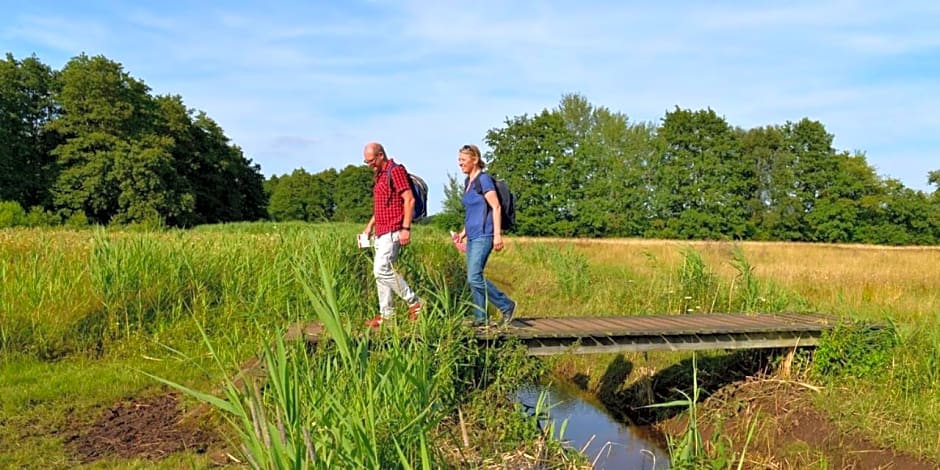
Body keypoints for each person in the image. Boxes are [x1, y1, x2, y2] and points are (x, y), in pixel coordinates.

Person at [452, 144, 516, 327]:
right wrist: (462, 233)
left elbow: (496, 207)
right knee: (474, 277)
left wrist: (497, 235)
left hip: (484, 234)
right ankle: (481, 318)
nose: (460, 164)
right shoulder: (468, 182)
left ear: (475, 159)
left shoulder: (484, 180)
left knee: (474, 276)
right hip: (472, 235)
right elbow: (472, 212)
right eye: (459, 160)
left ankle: (506, 305)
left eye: (463, 160)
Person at [361, 142, 422, 328]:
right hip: (381, 230)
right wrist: (369, 226)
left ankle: (415, 303)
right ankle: (387, 315)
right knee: (380, 274)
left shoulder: (395, 170)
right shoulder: (379, 175)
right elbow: (381, 206)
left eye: (371, 160)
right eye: (366, 161)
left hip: (394, 229)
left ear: (381, 155)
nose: (369, 164)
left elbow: (409, 199)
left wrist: (406, 228)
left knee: (381, 269)